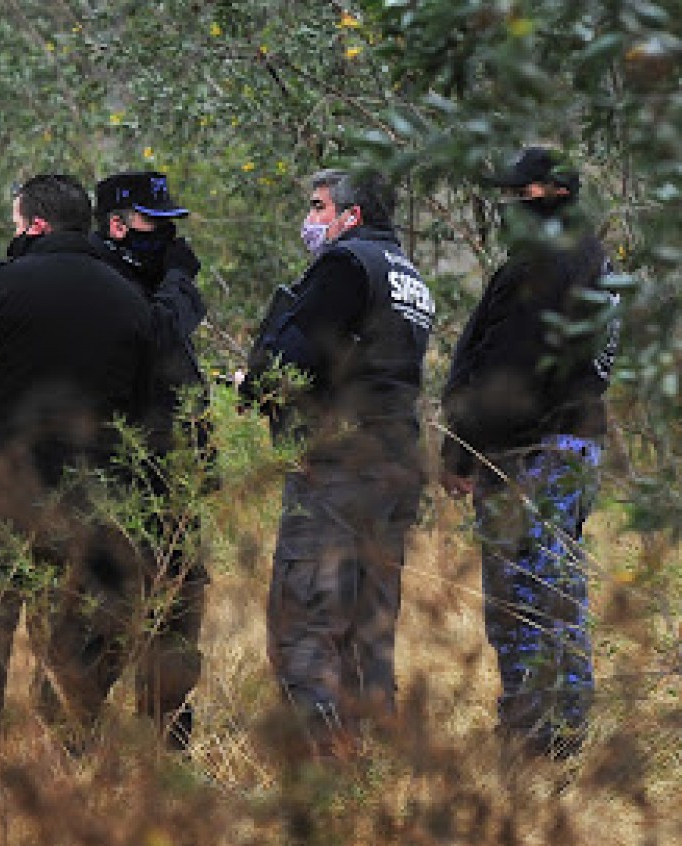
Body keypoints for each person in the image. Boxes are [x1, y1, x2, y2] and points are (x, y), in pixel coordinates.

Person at [0, 173, 202, 754]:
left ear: (34, 224)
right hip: (89, 500)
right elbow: (156, 402)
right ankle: (70, 756)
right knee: (78, 640)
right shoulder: (132, 301)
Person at [243, 168, 432, 753]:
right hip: (395, 466)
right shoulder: (409, 277)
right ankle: (374, 758)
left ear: (351, 216)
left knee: (307, 622)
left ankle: (322, 768)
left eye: (318, 207)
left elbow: (297, 359)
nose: (310, 220)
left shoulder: (346, 264)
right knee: (369, 625)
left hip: (338, 466)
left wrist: (256, 383)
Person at [439, 146, 618, 760]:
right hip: (571, 446)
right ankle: (558, 728)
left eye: (523, 194)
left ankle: (537, 735)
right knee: (553, 588)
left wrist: (462, 449)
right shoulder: (592, 260)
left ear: (555, 193)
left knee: (525, 597)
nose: (511, 206)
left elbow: (507, 370)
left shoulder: (547, 264)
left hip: (531, 452)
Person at [75, 170, 213, 753]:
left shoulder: (151, 286)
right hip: (115, 485)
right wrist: (180, 284)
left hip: (171, 488)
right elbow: (154, 337)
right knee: (104, 621)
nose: (168, 238)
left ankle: (168, 749)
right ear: (116, 225)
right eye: (154, 224)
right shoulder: (100, 284)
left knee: (177, 618)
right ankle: (72, 748)